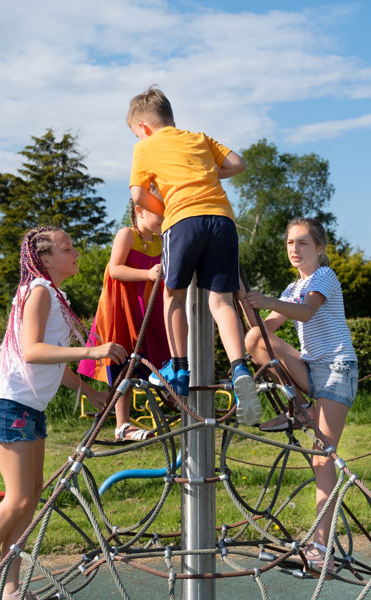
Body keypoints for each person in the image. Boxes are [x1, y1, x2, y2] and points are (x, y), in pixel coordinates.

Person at [0, 226, 127, 600]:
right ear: (45, 259)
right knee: (19, 499)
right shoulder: (39, 291)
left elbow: (52, 365)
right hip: (8, 403)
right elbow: (33, 351)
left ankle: (11, 589)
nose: (76, 252)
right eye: (67, 248)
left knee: (28, 501)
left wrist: (88, 390)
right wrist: (93, 352)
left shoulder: (52, 295)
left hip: (26, 405)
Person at [126, 85, 261, 425]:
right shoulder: (198, 138)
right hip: (222, 220)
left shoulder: (145, 146)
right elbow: (238, 164)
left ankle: (180, 368)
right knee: (222, 301)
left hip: (183, 222)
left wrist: (168, 205)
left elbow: (139, 194)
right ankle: (240, 367)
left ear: (142, 127)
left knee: (174, 294)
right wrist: (208, 174)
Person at [244, 217, 358, 571]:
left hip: (337, 371)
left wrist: (266, 301)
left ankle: (321, 551)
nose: (295, 249)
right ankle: (298, 404)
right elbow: (264, 330)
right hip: (310, 371)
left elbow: (306, 313)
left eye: (303, 243)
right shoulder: (293, 287)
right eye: (290, 243)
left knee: (323, 459)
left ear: (319, 248)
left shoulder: (323, 277)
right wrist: (242, 301)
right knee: (253, 340)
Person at [78, 195, 170, 441]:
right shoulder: (127, 235)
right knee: (123, 360)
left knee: (158, 355)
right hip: (123, 308)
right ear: (140, 212)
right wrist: (147, 273)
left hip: (148, 308)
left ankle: (172, 401)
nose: (164, 217)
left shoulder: (162, 240)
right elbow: (115, 269)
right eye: (159, 212)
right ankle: (122, 424)